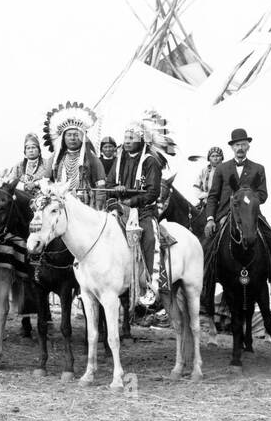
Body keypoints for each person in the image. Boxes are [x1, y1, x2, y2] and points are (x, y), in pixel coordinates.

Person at [203, 127, 271, 304]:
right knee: (208, 244)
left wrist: (248, 197)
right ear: (232, 148)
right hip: (226, 213)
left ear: (248, 146)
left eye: (243, 144)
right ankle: (206, 284)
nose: (240, 148)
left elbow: (263, 195)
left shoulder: (258, 168)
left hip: (250, 214)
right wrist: (210, 218)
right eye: (236, 145)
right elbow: (213, 196)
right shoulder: (222, 169)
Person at [107, 113, 172, 308]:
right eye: (125, 138)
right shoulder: (119, 159)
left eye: (131, 138)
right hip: (120, 210)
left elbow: (153, 193)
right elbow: (110, 183)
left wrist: (130, 201)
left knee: (150, 239)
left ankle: (151, 288)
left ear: (140, 139)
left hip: (144, 211)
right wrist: (115, 190)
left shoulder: (150, 161)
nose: (127, 142)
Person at [40, 102, 106, 200]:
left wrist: (98, 206)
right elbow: (45, 181)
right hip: (61, 202)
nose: (72, 138)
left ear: (82, 137)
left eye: (76, 135)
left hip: (85, 204)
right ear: (63, 138)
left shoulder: (90, 157)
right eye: (69, 135)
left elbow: (100, 185)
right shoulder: (55, 158)